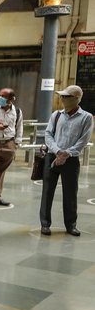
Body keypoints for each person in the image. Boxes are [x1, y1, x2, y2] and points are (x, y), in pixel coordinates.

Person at [39, 85, 94, 237]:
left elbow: (83, 140)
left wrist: (66, 154)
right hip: (52, 157)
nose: (62, 99)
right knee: (47, 192)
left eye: (66, 96)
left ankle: (71, 225)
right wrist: (57, 151)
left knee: (70, 194)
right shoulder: (56, 115)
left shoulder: (86, 118)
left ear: (76, 99)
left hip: (71, 161)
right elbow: (48, 135)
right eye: (62, 96)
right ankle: (45, 224)